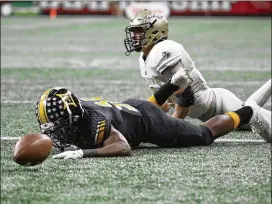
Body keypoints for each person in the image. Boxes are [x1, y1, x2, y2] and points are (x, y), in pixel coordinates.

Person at [123, 9, 271, 142]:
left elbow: (186, 94)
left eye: (138, 31)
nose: (134, 36)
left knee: (256, 117)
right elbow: (167, 93)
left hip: (218, 105)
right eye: (134, 31)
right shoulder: (144, 58)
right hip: (207, 113)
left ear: (155, 32)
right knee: (251, 111)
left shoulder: (163, 50)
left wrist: (173, 126)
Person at [35, 87, 265, 160]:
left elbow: (123, 147)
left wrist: (83, 153)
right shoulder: (76, 111)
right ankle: (170, 89)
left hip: (147, 121)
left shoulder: (95, 120)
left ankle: (247, 112)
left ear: (73, 116)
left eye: (58, 124)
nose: (54, 128)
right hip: (131, 110)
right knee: (151, 114)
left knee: (204, 134)